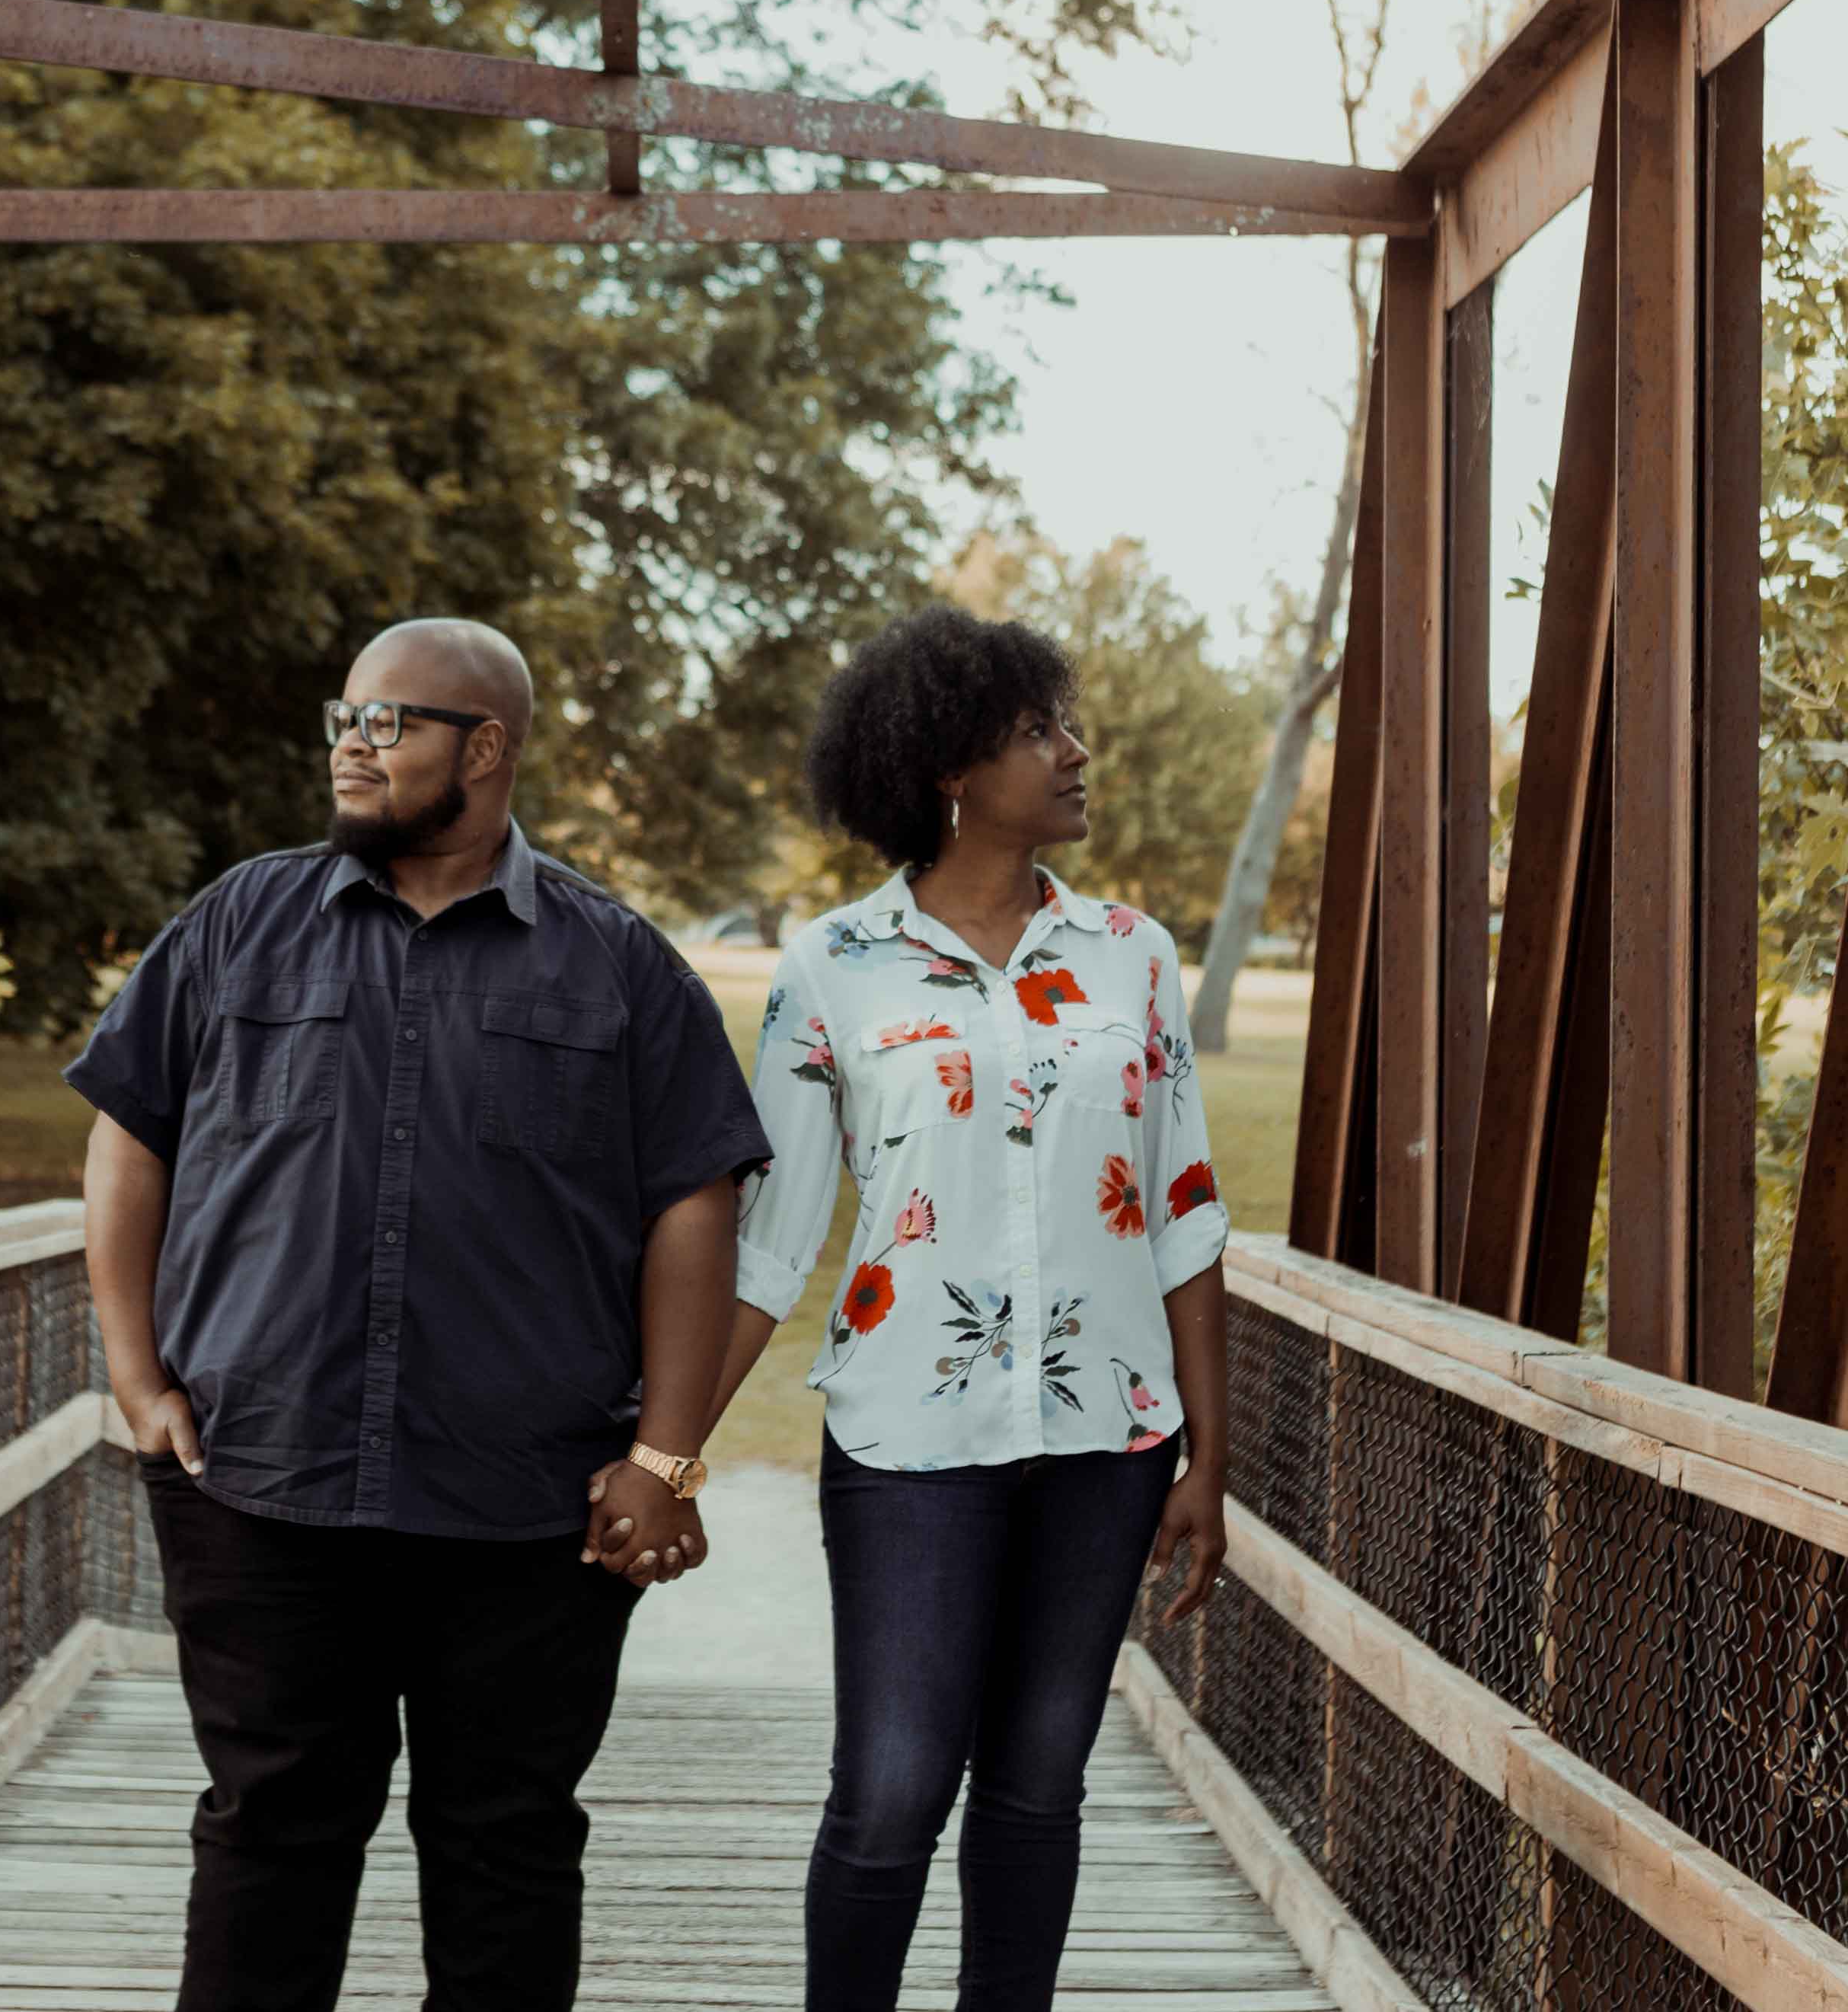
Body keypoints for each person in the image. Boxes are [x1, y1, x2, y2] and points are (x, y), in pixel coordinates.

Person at [71, 616, 771, 2012]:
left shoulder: (618, 964)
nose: (351, 739)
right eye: (345, 713)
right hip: (261, 1477)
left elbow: (696, 1202)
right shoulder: (236, 923)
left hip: (525, 1502)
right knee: (272, 1832)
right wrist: (134, 1368)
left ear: (488, 748)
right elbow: (129, 1135)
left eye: (389, 721)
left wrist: (667, 1452)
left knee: (505, 1847)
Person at [706, 605, 1233, 2012]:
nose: (1076, 751)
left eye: (1066, 724)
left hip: (1108, 1436)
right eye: (1037, 731)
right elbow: (773, 1241)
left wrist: (1209, 1457)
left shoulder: (1131, 953)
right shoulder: (835, 966)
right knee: (889, 1789)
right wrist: (666, 1449)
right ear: (948, 765)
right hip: (907, 1438)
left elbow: (1183, 1206)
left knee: (1038, 1784)